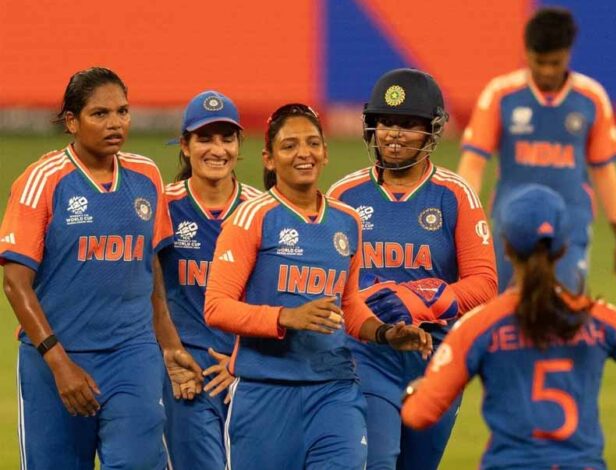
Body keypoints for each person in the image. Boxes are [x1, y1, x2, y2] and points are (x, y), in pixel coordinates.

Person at [401, 184, 616, 470]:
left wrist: (416, 391)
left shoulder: (479, 326)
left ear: (505, 247)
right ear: (564, 247)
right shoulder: (599, 319)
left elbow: (419, 415)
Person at [203, 103, 433, 470]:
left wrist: (387, 333)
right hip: (266, 393)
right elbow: (217, 307)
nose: (303, 153)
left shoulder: (347, 221)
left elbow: (349, 306)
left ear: (325, 153)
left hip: (335, 391)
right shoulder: (252, 217)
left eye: (312, 143)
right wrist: (286, 317)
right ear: (268, 159)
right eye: (289, 145)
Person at [0, 66, 202, 469]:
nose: (115, 123)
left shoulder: (146, 175)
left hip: (132, 355)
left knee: (137, 461)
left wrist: (169, 345)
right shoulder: (43, 180)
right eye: (100, 114)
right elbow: (14, 282)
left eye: (122, 111)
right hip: (57, 358)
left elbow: (150, 270)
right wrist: (59, 363)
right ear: (72, 121)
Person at [327, 68, 498, 469]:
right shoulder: (344, 195)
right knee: (378, 462)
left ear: (431, 131)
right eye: (386, 122)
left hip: (436, 359)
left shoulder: (454, 195)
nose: (394, 134)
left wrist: (417, 300)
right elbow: (326, 281)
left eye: (408, 124)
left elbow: (484, 283)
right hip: (368, 353)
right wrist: (368, 300)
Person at [457, 7, 616, 294]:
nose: (547, 71)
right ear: (526, 53)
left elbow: (604, 170)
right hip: (510, 223)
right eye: (540, 62)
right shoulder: (502, 94)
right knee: (497, 306)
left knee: (565, 305)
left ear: (568, 54)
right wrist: (463, 222)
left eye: (556, 62)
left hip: (570, 222)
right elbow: (473, 162)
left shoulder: (591, 98)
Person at [158, 90, 263, 469]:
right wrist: (170, 357)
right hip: (188, 372)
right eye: (204, 138)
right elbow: (143, 291)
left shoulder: (260, 210)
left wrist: (242, 363)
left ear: (238, 145)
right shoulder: (163, 206)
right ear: (185, 146)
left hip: (249, 370)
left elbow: (272, 297)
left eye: (226, 138)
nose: (217, 149)